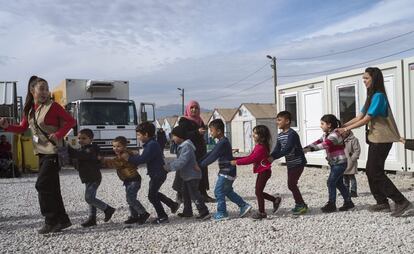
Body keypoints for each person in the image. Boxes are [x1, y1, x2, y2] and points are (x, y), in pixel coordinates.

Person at [0, 76, 75, 234]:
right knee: (53, 188)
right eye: (41, 88)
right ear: (32, 90)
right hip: (40, 153)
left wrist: (59, 134)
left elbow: (71, 121)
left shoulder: (53, 106)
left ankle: (51, 221)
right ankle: (63, 220)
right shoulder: (29, 109)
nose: (45, 92)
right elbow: (22, 128)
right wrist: (8, 127)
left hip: (52, 153)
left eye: (46, 89)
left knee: (41, 185)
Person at [338, 67, 413, 217]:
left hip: (382, 140)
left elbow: (367, 119)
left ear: (374, 79)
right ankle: (382, 202)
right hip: (375, 139)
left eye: (366, 78)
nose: (364, 81)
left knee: (375, 171)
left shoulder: (379, 96)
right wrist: (343, 126)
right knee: (371, 171)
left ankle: (401, 202)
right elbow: (360, 116)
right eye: (363, 78)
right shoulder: (371, 97)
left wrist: (347, 130)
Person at [122, 122, 179, 225]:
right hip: (157, 174)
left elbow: (143, 159)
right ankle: (172, 204)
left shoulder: (152, 145)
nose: (137, 137)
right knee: (154, 193)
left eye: (139, 134)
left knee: (152, 196)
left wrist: (129, 158)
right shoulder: (150, 144)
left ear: (146, 134)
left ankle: (163, 216)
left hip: (158, 174)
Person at [199, 119, 252, 221]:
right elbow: (211, 153)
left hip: (226, 171)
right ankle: (243, 205)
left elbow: (213, 156)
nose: (210, 133)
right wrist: (199, 162)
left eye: (211, 130)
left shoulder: (222, 143)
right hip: (229, 171)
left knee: (218, 191)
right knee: (227, 191)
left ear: (218, 131)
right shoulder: (222, 142)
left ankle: (222, 213)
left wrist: (201, 165)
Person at [304, 114, 354, 213]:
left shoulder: (335, 135)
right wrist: (305, 148)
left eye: (322, 124)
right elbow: (317, 142)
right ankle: (348, 202)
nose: (320, 126)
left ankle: (331, 204)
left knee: (331, 182)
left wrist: (310, 150)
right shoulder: (326, 135)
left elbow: (325, 145)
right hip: (335, 163)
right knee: (338, 183)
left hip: (340, 163)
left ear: (329, 125)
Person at [231, 125, 281, 220]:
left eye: (256, 133)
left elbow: (251, 159)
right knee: (258, 191)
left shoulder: (261, 148)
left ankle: (262, 212)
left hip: (264, 172)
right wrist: (236, 158)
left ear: (262, 137)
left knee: (258, 191)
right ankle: (275, 200)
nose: (253, 135)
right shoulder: (258, 146)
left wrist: (236, 162)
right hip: (262, 171)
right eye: (253, 133)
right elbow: (250, 156)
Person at [68, 128, 115, 227]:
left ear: (91, 139)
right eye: (79, 138)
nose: (80, 140)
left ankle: (108, 209)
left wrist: (69, 147)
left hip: (94, 177)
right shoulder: (81, 149)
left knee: (89, 198)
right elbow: (76, 159)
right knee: (91, 199)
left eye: (84, 138)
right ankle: (92, 219)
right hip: (87, 177)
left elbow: (81, 155)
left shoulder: (91, 149)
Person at [165, 125, 210, 220]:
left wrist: (169, 167)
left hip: (192, 175)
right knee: (185, 193)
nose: (172, 138)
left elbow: (182, 161)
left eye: (174, 136)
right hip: (187, 176)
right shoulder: (183, 146)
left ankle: (204, 212)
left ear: (180, 136)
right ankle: (187, 211)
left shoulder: (186, 147)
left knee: (194, 194)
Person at [173, 100, 215, 203]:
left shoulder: (200, 121)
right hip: (188, 151)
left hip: (200, 151)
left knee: (201, 171)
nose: (194, 110)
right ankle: (180, 194)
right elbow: (182, 135)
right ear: (188, 109)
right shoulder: (184, 121)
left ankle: (203, 194)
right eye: (192, 108)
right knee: (184, 171)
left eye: (196, 108)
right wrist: (196, 132)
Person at [103, 136, 150, 225]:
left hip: (133, 179)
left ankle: (143, 213)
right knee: (130, 198)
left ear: (124, 147)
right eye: (114, 146)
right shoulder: (122, 154)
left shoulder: (124, 156)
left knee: (131, 198)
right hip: (128, 180)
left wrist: (102, 160)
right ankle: (134, 216)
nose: (115, 148)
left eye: (118, 146)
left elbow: (115, 163)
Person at [268, 111, 308, 215]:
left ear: (287, 121)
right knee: (292, 184)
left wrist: (273, 158)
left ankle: (301, 205)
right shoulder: (280, 135)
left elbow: (288, 149)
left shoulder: (292, 134)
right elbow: (277, 149)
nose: (277, 122)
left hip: (298, 162)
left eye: (279, 120)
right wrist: (271, 156)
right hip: (291, 163)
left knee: (291, 184)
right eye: (277, 120)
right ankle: (301, 204)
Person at [342, 130, 361, 198]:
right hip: (343, 161)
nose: (342, 133)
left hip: (350, 161)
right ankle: (346, 190)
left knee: (351, 176)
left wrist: (353, 158)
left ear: (348, 132)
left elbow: (357, 150)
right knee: (344, 177)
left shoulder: (354, 140)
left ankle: (353, 191)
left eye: (344, 131)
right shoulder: (341, 139)